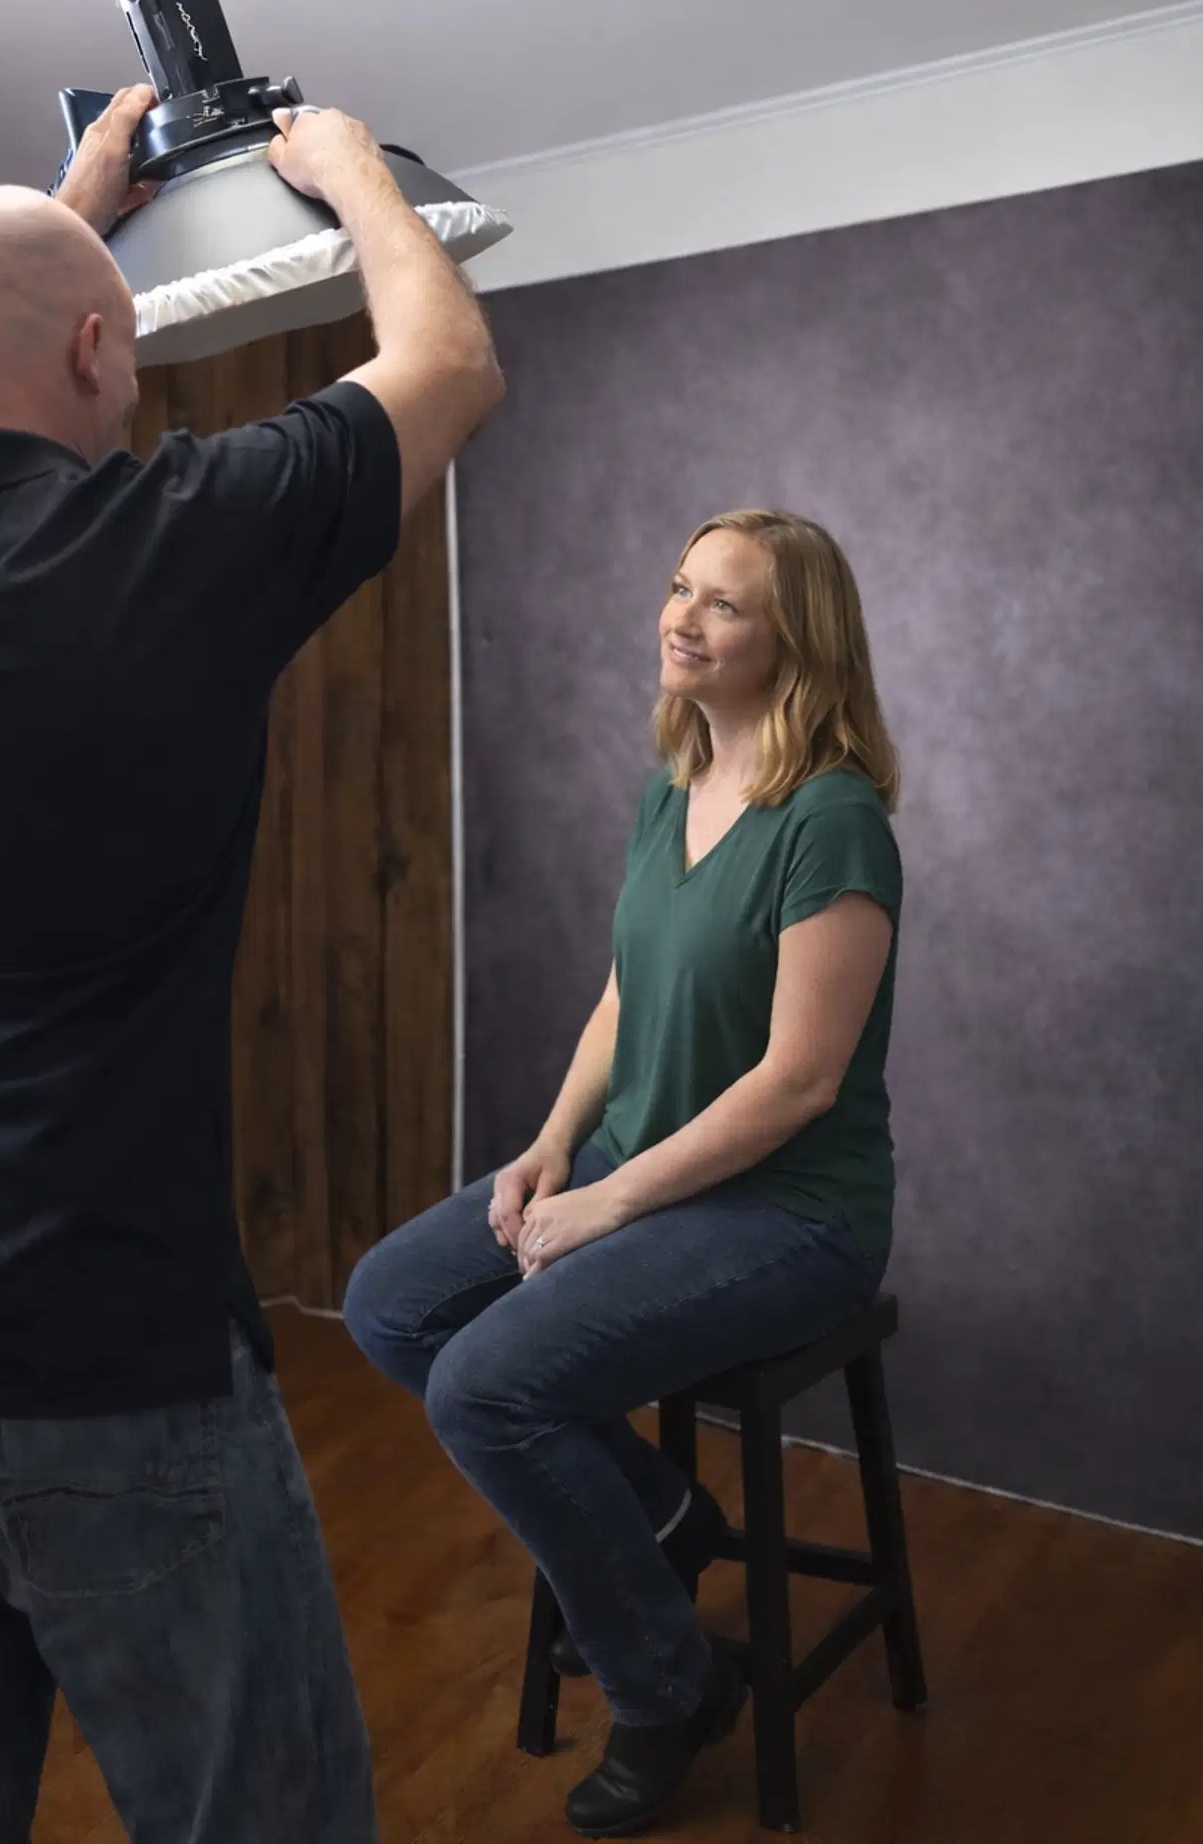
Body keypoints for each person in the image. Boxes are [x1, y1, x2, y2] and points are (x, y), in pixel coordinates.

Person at [0, 86, 503, 1844]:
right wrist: (348, 169)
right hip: (109, 1377)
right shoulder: (171, 542)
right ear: (101, 352)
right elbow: (446, 367)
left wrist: (61, 207)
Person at [344, 507, 903, 1837]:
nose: (683, 616)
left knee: (489, 1383)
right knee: (391, 1304)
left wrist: (604, 1204)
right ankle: (658, 1521)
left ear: (797, 644)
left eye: (725, 604)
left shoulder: (833, 824)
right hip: (631, 1161)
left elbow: (799, 1083)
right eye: (680, 588)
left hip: (787, 1210)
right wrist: (549, 1151)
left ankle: (667, 1689)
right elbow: (622, 996)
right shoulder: (673, 784)